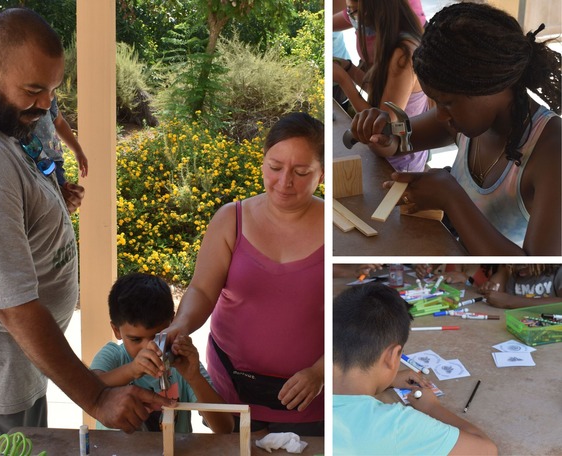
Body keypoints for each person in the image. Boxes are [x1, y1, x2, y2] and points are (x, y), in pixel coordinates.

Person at [0, 8, 170, 444]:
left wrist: (55, 203)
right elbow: (14, 306)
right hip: (1, 383)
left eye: (51, 91)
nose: (45, 105)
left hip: (22, 370)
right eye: (33, 90)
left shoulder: (8, 131)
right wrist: (95, 397)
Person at [350, 2, 561, 255]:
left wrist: (452, 197)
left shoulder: (552, 153)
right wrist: (381, 135)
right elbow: (399, 141)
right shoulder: (464, 121)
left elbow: (538, 269)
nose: (439, 114)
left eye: (447, 102)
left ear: (490, 87)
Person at [166, 112, 324, 435]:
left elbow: (349, 316)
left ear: (321, 174)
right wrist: (181, 324)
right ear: (262, 162)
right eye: (275, 167)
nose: (284, 182)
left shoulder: (336, 229)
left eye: (301, 172)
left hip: (311, 399)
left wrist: (321, 372)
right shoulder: (230, 219)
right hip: (232, 387)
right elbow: (202, 291)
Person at [333, 282, 498, 455]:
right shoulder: (396, 425)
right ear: (391, 356)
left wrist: (384, 380)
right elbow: (486, 450)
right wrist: (432, 408)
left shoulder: (316, 396)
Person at [91, 273, 234, 434]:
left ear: (172, 323)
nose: (148, 347)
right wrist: (132, 370)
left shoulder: (182, 361)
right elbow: (87, 389)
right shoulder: (114, 356)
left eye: (157, 336)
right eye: (136, 340)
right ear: (116, 330)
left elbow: (225, 428)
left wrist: (194, 378)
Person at [333, 0, 430, 172]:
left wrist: (344, 82)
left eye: (353, 12)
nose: (350, 18)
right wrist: (348, 68)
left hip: (399, 165)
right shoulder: (390, 39)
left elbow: (382, 126)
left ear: (377, 11)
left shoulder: (404, 56)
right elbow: (383, 93)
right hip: (387, 157)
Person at [34, 96, 88, 186]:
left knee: (62, 196)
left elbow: (59, 122)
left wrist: (78, 151)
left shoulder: (49, 96)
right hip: (28, 162)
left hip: (53, 161)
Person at [478, 265, 562, 309]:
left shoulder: (558, 273)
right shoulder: (515, 277)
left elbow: (508, 302)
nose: (517, 268)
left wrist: (510, 301)